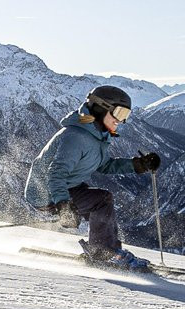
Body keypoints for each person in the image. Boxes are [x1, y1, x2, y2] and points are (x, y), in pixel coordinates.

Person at [24, 84, 162, 269]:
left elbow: (104, 165)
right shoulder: (76, 137)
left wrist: (138, 165)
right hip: (45, 193)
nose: (121, 121)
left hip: (64, 186)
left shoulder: (96, 135)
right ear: (100, 109)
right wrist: (64, 205)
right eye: (119, 113)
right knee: (101, 200)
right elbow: (55, 174)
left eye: (125, 115)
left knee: (102, 200)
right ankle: (103, 252)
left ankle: (105, 248)